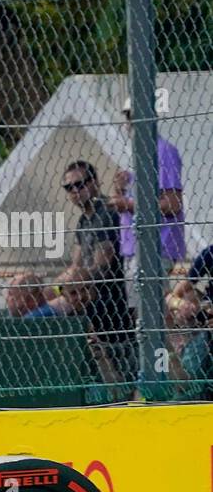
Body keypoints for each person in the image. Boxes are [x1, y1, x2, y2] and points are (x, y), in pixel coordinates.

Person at [111, 98, 186, 310]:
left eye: (132, 117)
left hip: (155, 246)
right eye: (128, 117)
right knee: (146, 314)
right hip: (136, 246)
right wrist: (119, 190)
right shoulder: (139, 153)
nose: (129, 123)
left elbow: (172, 203)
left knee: (153, 312)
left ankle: (174, 344)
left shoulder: (162, 151)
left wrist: (127, 204)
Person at [61, 160, 132, 379]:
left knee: (43, 313)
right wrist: (55, 288)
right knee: (32, 296)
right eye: (69, 187)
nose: (75, 191)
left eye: (80, 184)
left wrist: (70, 283)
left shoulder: (107, 212)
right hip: (85, 293)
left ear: (95, 183)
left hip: (109, 296)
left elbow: (102, 264)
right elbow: (75, 265)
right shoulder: (84, 220)